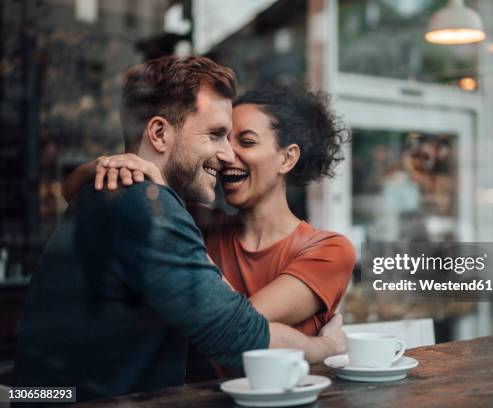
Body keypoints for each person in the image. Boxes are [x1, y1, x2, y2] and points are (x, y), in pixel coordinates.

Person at [15, 56, 345, 403]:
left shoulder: (119, 193)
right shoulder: (143, 203)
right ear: (159, 133)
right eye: (217, 135)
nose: (228, 154)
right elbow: (238, 334)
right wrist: (326, 346)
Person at [66, 86, 356, 338]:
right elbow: (73, 192)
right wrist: (112, 165)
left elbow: (236, 322)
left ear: (287, 158)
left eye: (247, 141)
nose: (226, 155)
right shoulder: (197, 222)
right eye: (222, 140)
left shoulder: (329, 250)